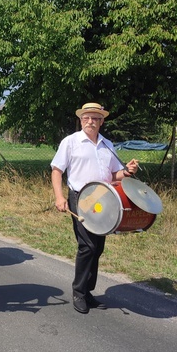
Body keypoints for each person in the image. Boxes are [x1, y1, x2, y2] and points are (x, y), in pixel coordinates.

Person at [51, 102, 139, 314]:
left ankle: (88, 292)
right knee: (87, 245)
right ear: (81, 120)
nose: (90, 121)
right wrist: (59, 197)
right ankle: (79, 292)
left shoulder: (107, 144)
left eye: (95, 118)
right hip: (81, 197)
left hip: (103, 197)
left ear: (101, 121)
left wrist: (127, 172)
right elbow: (56, 170)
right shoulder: (70, 142)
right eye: (86, 118)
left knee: (98, 247)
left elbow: (114, 175)